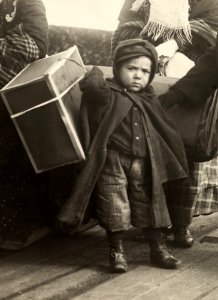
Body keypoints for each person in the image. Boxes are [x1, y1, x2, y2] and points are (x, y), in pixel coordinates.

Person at [55, 38, 189, 272]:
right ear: (117, 68)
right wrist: (94, 71)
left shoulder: (149, 99)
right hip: (112, 162)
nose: (138, 75)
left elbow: (164, 131)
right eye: (131, 68)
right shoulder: (109, 94)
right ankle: (117, 250)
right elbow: (94, 88)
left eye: (145, 71)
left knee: (149, 202)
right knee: (114, 204)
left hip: (144, 162)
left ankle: (157, 247)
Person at [112, 0, 218, 248]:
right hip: (146, 74)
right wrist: (145, 52)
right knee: (143, 152)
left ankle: (180, 224)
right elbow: (124, 28)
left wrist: (175, 44)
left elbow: (212, 28)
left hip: (190, 80)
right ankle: (148, 223)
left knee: (183, 150)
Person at [0, 0, 50, 250]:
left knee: (10, 156)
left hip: (11, 90)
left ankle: (13, 228)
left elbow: (36, 47)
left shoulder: (27, 2)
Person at [112, 0, 218, 78]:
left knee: (179, 67)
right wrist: (145, 51)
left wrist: (174, 44)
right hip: (145, 44)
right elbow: (128, 21)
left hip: (190, 52)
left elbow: (209, 27)